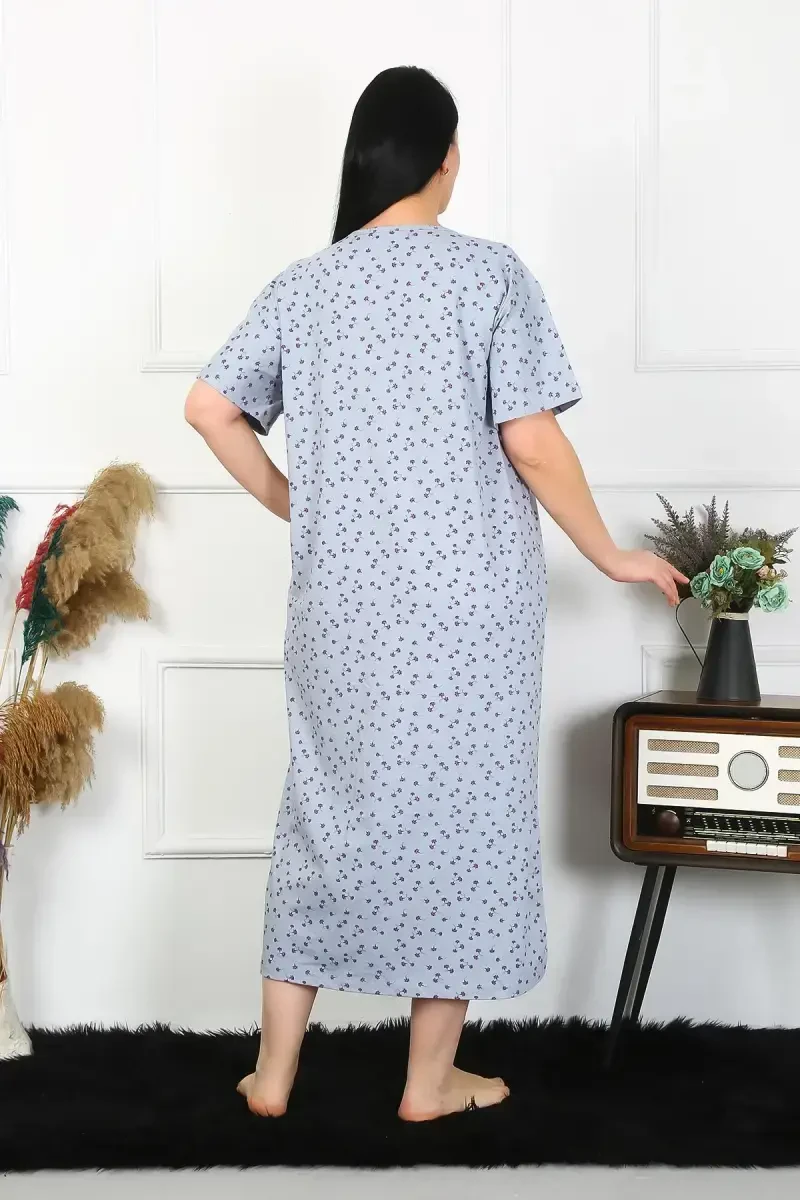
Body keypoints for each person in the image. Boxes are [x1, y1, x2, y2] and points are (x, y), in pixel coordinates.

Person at [185, 65, 687, 1123]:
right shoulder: (487, 276)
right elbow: (532, 442)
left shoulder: (304, 287)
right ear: (445, 156)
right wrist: (609, 555)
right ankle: (427, 1081)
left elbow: (208, 407)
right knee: (463, 825)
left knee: (321, 819)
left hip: (337, 611)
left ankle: (272, 1076)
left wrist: (299, 506)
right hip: (467, 616)